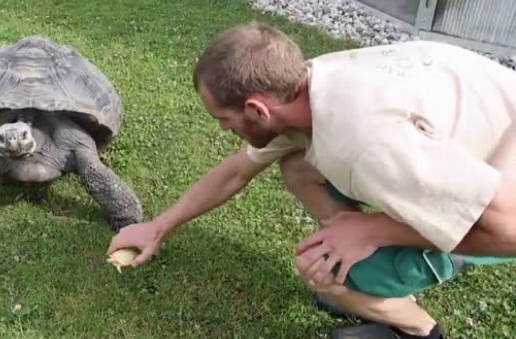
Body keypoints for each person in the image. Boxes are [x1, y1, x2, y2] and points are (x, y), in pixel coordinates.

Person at [107, 22, 516, 338]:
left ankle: (418, 328)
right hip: (466, 152)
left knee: (321, 269)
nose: (221, 130)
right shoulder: (309, 86)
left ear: (257, 109)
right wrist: (157, 227)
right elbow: (236, 172)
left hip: (501, 201)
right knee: (299, 164)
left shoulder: (367, 146)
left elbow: (508, 231)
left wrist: (374, 229)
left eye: (223, 120)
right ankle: (362, 273)